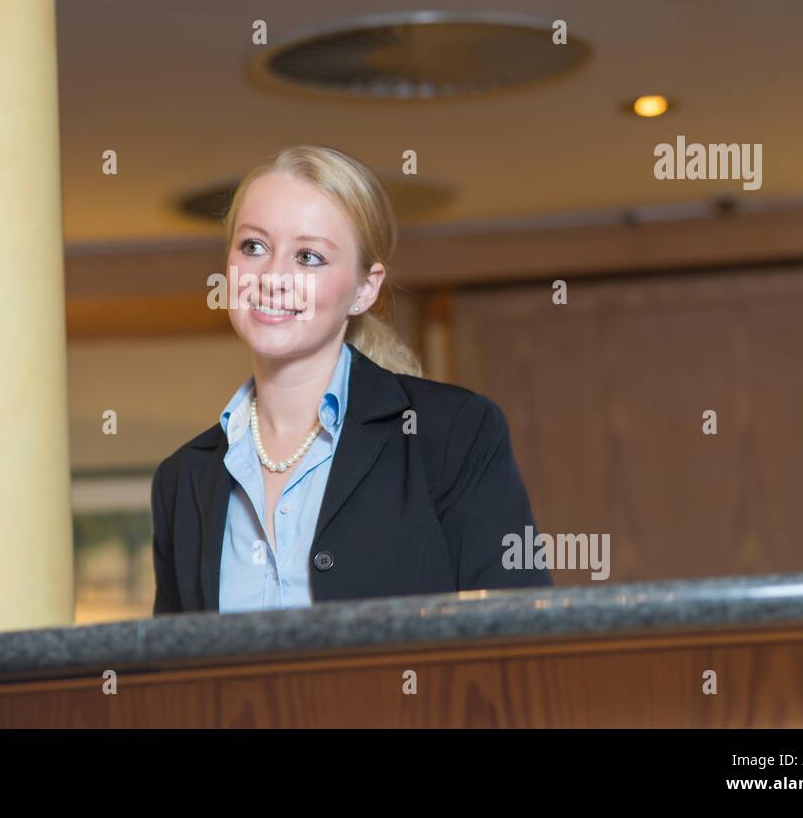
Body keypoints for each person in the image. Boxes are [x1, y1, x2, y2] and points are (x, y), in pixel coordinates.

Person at [151, 143, 552, 614]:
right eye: (254, 247)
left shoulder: (456, 433)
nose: (273, 277)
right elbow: (175, 659)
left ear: (365, 288)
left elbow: (517, 632)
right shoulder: (182, 479)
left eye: (309, 257)